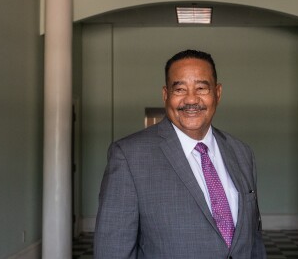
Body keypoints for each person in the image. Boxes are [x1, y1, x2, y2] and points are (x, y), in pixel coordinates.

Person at [94, 49, 266, 259]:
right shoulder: (129, 157)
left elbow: (254, 241)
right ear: (166, 95)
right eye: (180, 89)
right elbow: (112, 251)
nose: (191, 99)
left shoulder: (242, 153)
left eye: (201, 88)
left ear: (218, 93)